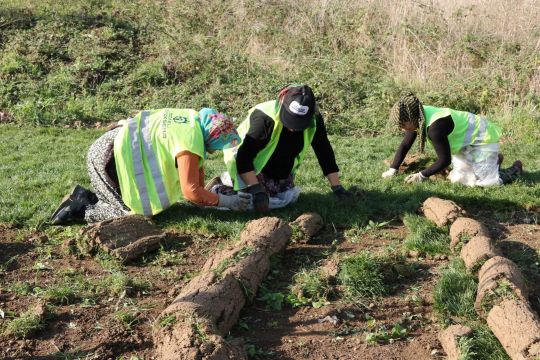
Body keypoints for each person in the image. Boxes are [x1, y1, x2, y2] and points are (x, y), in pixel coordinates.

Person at [50, 108, 249, 225]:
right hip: (108, 159)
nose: (212, 153)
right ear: (211, 138)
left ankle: (86, 196)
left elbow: (196, 180)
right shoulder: (190, 142)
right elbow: (191, 191)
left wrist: (211, 199)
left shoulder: (190, 120)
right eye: (214, 148)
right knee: (134, 218)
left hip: (107, 147)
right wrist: (226, 202)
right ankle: (79, 208)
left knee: (125, 204)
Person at [212, 84, 354, 212]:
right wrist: (256, 190)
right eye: (291, 120)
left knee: (284, 199)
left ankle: (266, 187)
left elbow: (323, 150)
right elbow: (244, 157)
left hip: (280, 171)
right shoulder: (265, 118)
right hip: (246, 166)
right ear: (282, 104)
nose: (293, 128)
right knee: (248, 203)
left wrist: (337, 188)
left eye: (299, 123)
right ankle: (219, 188)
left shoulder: (314, 119)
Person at [382, 93, 523, 186]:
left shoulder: (434, 129)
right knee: (459, 180)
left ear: (411, 118)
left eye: (402, 124)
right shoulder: (419, 115)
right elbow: (405, 144)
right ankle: (493, 161)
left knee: (486, 183)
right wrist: (393, 169)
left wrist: (421, 175)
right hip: (465, 145)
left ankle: (515, 169)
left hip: (481, 138)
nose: (402, 129)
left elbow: (444, 160)